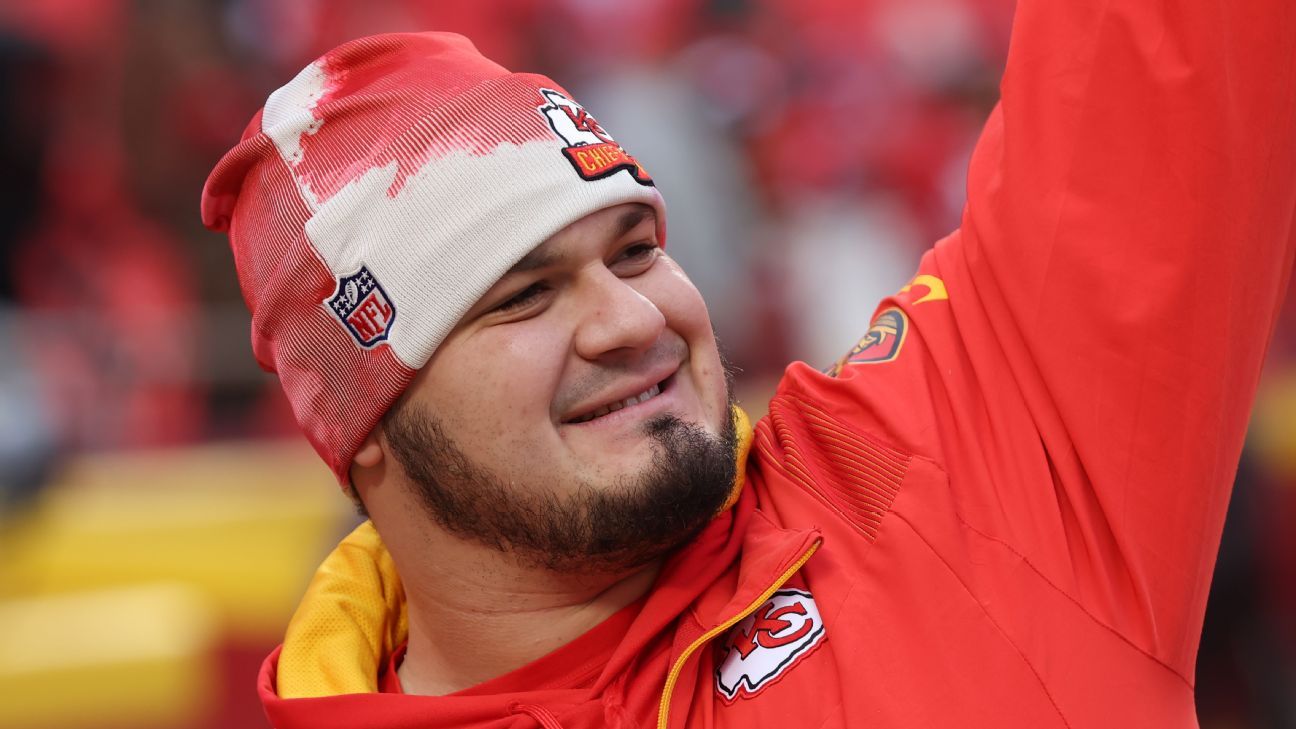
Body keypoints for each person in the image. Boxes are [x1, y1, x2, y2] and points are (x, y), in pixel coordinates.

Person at [200, 0, 1296, 725]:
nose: (630, 320)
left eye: (637, 250)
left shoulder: (946, 481)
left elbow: (1168, 48)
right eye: (522, 296)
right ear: (369, 433)